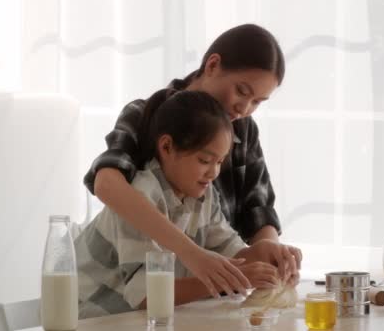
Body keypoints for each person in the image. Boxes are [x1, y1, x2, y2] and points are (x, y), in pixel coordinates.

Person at [84, 24, 301, 298]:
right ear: (212, 65)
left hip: (195, 299)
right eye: (242, 91)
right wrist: (191, 254)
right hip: (135, 294)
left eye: (257, 101)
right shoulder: (148, 115)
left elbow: (256, 209)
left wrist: (270, 255)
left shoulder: (243, 130)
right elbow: (107, 184)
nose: (244, 109)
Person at [76, 91, 291, 318]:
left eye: (219, 162)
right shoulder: (141, 196)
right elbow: (144, 294)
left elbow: (232, 252)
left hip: (141, 320)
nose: (213, 172)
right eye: (205, 161)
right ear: (167, 147)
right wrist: (232, 279)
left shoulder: (203, 197)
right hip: (93, 318)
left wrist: (265, 255)